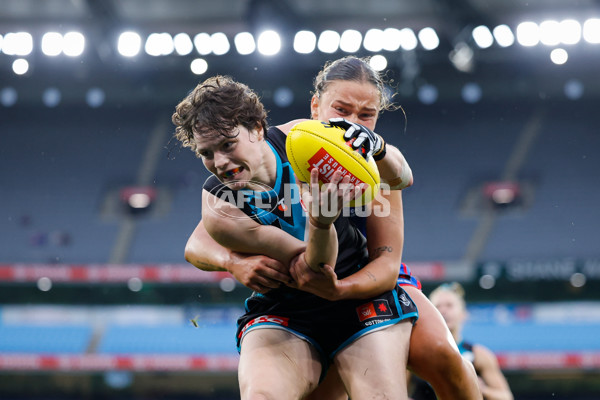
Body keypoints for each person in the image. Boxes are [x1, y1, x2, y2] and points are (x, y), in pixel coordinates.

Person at [181, 56, 481, 400]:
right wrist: (233, 261)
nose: (353, 123)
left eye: (366, 115)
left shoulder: (374, 161)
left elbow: (386, 259)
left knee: (442, 354)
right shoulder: (283, 150)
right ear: (316, 107)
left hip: (364, 280)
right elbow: (200, 239)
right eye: (341, 110)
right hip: (293, 298)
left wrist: (338, 288)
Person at [409, 282, 513, 400]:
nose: (443, 311)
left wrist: (481, 389)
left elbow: (506, 397)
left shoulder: (479, 355)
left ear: (463, 314)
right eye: (437, 306)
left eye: (449, 305)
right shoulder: (415, 353)